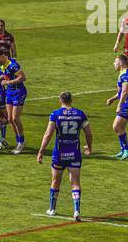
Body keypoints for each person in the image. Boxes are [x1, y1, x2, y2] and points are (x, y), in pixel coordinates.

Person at [37, 91, 93, 221]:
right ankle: (76, 211)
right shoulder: (80, 114)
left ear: (60, 101)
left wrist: (41, 151)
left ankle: (52, 209)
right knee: (75, 183)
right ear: (71, 100)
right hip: (75, 152)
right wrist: (89, 148)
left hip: (59, 152)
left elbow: (48, 134)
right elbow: (89, 134)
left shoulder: (55, 114)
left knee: (55, 181)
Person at [105, 54, 128, 160]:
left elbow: (125, 91)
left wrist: (119, 105)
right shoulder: (122, 73)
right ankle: (124, 149)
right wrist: (112, 99)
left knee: (116, 126)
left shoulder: (126, 74)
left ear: (120, 63)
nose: (114, 64)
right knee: (120, 128)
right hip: (126, 103)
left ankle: (127, 149)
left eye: (115, 62)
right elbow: (120, 92)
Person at [2, 50, 28, 154]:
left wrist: (8, 82)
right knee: (10, 119)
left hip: (18, 92)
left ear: (3, 56)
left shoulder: (13, 65)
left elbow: (23, 77)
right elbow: (4, 75)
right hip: (9, 92)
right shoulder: (2, 65)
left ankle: (22, 141)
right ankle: (19, 141)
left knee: (15, 118)